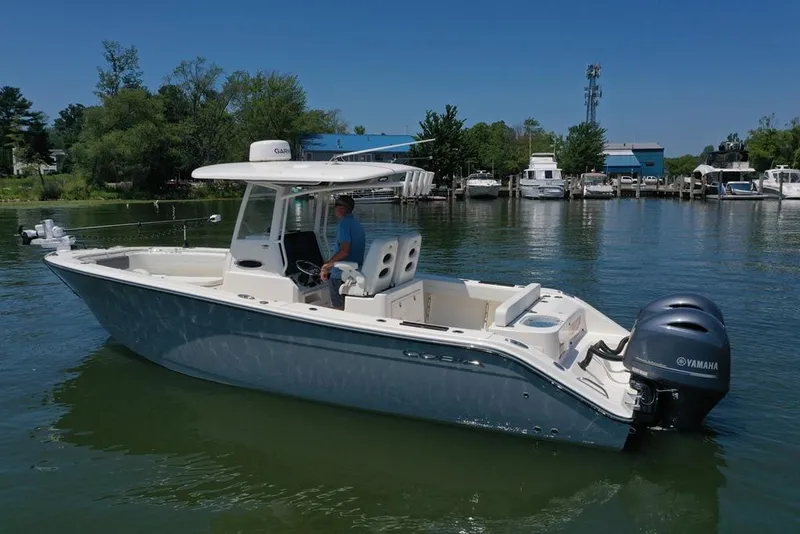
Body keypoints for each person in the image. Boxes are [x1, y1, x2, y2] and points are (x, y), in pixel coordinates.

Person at [320, 195, 365, 309]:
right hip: (355, 270)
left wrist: (326, 266)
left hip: (340, 274)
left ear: (342, 208)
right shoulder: (356, 223)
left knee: (338, 307)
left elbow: (344, 251)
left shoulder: (344, 224)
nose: (334, 208)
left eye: (336, 205)